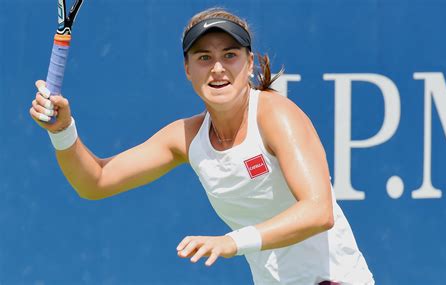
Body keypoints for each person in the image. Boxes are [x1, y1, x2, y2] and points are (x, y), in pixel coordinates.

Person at [30, 7, 374, 285]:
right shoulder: (186, 138)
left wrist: (231, 241)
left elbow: (318, 211)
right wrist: (63, 131)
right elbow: (96, 182)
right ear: (187, 70)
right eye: (204, 58)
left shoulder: (275, 115)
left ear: (249, 63)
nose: (218, 68)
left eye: (230, 54)